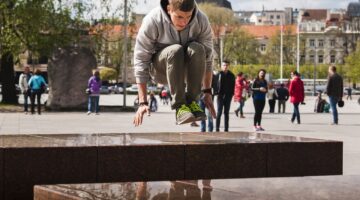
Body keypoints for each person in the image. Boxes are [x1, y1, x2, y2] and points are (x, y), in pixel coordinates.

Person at [133, 0, 216, 126]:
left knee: (198, 48)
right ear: (168, 9)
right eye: (179, 17)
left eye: (188, 17)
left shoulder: (201, 20)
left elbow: (208, 59)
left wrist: (207, 91)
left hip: (186, 72)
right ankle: (180, 107)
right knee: (175, 50)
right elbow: (140, 60)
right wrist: (143, 102)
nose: (184, 22)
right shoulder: (153, 20)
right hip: (160, 71)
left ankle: (192, 102)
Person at [215, 60, 235, 132]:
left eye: (226, 65)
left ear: (228, 66)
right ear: (221, 66)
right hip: (220, 96)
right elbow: (215, 84)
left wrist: (232, 95)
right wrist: (216, 93)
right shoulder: (218, 74)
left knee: (226, 113)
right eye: (224, 65)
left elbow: (233, 86)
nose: (225, 67)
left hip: (228, 96)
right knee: (219, 112)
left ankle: (226, 129)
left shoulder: (231, 75)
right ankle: (217, 128)